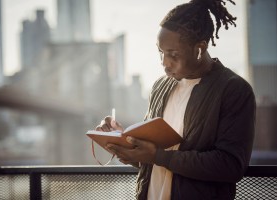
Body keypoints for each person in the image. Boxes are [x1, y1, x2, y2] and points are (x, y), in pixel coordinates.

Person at [95, 0, 256, 199]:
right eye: (161, 52)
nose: (164, 63)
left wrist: (157, 155)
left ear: (200, 48)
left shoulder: (234, 90)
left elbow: (230, 166)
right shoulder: (160, 87)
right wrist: (125, 141)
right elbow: (151, 158)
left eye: (173, 54)